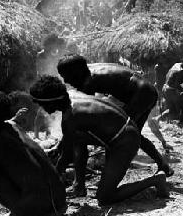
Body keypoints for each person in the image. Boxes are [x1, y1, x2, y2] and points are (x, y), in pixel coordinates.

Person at [30, 76, 169, 204]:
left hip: (125, 142)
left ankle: (155, 180)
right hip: (125, 129)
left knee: (104, 197)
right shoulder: (73, 95)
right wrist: (59, 147)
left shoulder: (70, 119)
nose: (42, 109)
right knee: (77, 140)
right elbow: (69, 140)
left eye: (42, 104)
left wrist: (50, 180)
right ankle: (79, 186)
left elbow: (65, 157)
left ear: (53, 101)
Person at [56, 55, 172, 177]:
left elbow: (82, 116)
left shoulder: (88, 81)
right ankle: (163, 165)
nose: (66, 81)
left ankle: (109, 173)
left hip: (141, 95)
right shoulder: (87, 70)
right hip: (147, 91)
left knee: (119, 132)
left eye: (66, 77)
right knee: (133, 133)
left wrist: (63, 144)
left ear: (75, 73)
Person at [0, 89, 66, 216]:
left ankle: (20, 214)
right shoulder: (14, 126)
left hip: (39, 209)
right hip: (60, 201)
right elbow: (5, 124)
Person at [162, 56, 183, 126]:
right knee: (179, 108)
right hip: (170, 90)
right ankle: (159, 118)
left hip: (171, 90)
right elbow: (176, 85)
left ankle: (180, 121)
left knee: (180, 107)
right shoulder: (179, 73)